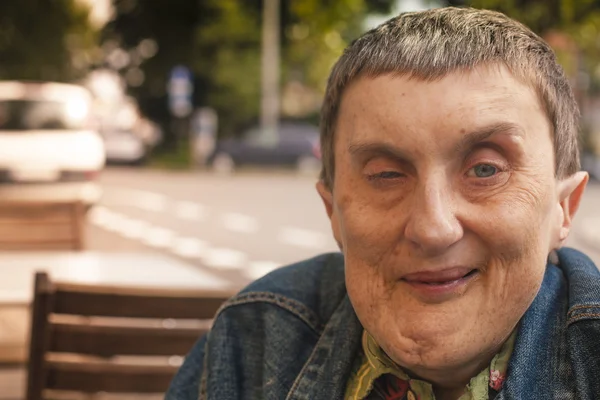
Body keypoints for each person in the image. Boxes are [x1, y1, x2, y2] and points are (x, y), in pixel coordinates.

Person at [166, 7, 600, 400]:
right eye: (386, 175)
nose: (433, 229)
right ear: (332, 211)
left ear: (564, 207)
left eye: (485, 170)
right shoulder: (255, 337)